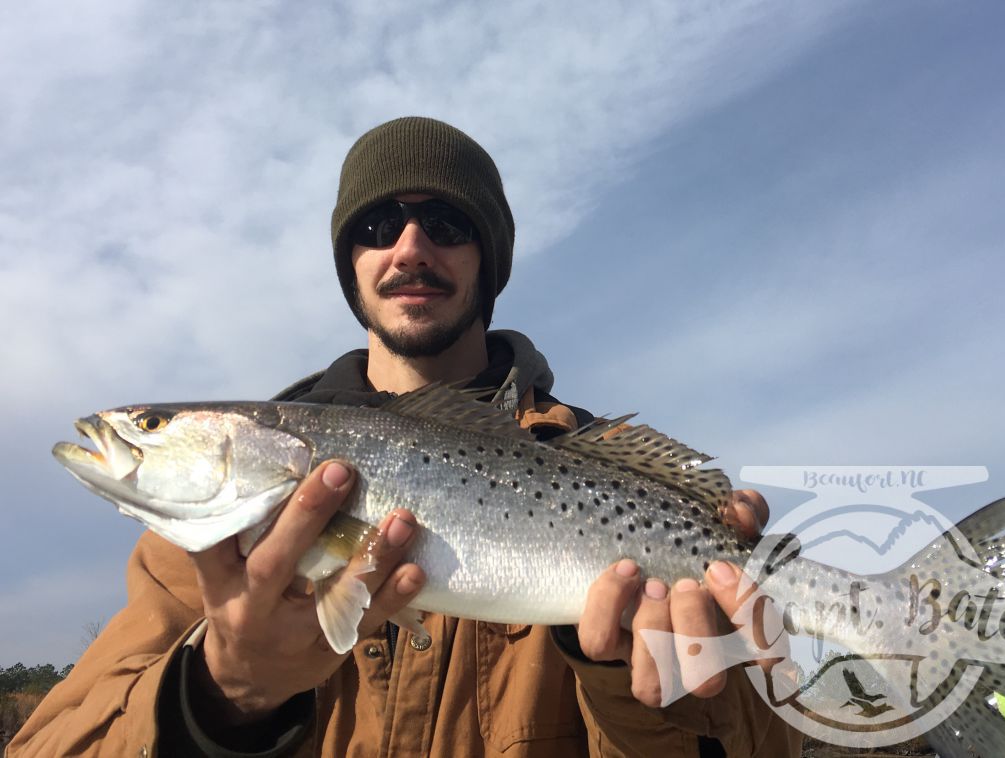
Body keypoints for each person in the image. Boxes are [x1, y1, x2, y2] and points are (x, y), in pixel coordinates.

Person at [10, 117, 803, 757]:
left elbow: (772, 744)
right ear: (349, 261)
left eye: (448, 223)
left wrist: (628, 682)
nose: (410, 248)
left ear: (489, 259)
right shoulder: (202, 549)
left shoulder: (591, 461)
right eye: (379, 223)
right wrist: (220, 697)